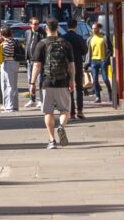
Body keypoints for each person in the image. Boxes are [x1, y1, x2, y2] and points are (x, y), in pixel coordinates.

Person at [37, 19, 83, 148]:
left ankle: (51, 140)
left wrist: (32, 82)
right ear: (57, 28)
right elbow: (71, 65)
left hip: (47, 82)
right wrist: (72, 80)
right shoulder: (65, 43)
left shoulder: (42, 44)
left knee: (48, 112)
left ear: (46, 28)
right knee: (65, 110)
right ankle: (61, 126)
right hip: (62, 82)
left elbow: (37, 65)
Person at [88, 19, 111, 101]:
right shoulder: (90, 39)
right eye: (93, 28)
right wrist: (88, 62)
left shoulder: (104, 37)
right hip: (94, 61)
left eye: (95, 28)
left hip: (102, 60)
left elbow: (110, 49)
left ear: (99, 29)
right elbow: (89, 52)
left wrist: (106, 58)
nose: (94, 30)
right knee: (94, 80)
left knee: (105, 79)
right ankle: (98, 97)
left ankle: (110, 92)